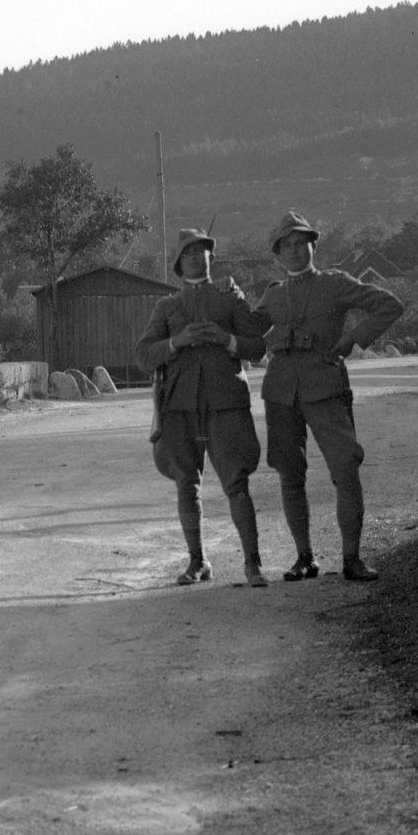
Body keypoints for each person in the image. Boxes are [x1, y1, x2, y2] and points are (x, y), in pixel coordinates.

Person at [253, 211, 404, 582]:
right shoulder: (272, 296)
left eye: (300, 244)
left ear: (313, 246)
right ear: (277, 253)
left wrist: (353, 338)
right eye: (286, 246)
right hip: (281, 393)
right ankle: (304, 558)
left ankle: (352, 558)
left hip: (326, 388)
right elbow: (247, 335)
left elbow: (390, 305)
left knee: (345, 469)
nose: (294, 252)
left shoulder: (335, 283)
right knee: (290, 475)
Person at [136, 227, 272, 588]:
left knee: (236, 482)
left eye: (203, 250)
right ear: (179, 264)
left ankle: (252, 562)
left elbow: (256, 346)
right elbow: (143, 355)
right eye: (189, 253)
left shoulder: (229, 299)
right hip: (179, 406)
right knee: (186, 483)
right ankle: (197, 562)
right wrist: (177, 341)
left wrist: (226, 339)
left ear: (212, 258)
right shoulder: (166, 307)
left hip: (226, 402)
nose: (197, 256)